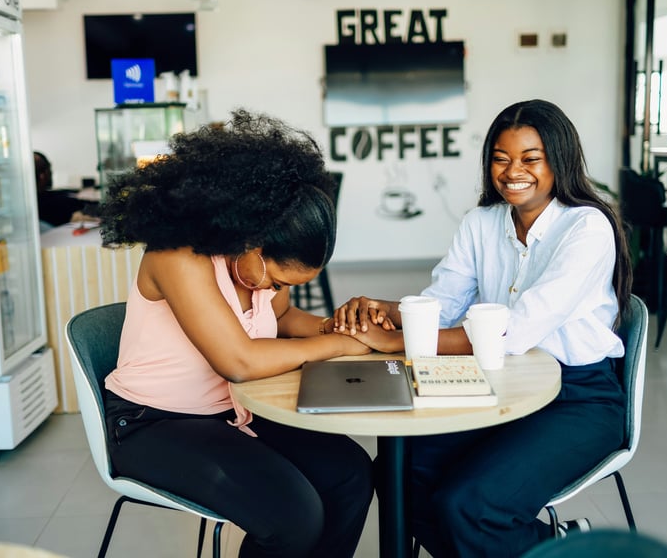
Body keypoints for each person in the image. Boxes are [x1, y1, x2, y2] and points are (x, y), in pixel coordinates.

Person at [332, 99, 633, 557]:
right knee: (399, 475)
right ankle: (542, 545)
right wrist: (386, 310)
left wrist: (394, 340)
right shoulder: (481, 222)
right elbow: (443, 305)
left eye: (531, 159)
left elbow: (513, 331)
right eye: (501, 158)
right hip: (500, 384)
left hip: (579, 397)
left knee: (470, 506)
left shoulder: (586, 227)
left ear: (560, 160)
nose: (514, 171)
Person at [98, 110, 374, 558]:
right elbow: (239, 362)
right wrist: (342, 345)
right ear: (251, 238)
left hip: (233, 414)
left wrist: (337, 325)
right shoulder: (178, 255)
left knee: (350, 477)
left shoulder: (254, 268)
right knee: (294, 517)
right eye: (277, 280)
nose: (276, 292)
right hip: (153, 423)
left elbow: (283, 321)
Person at [34, 151, 90, 230]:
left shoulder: (41, 198)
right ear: (42, 175)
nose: (51, 172)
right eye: (48, 168)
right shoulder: (52, 204)